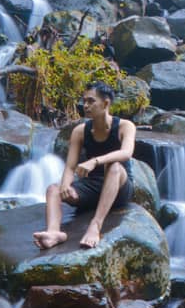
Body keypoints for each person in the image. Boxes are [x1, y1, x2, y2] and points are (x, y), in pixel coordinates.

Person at [33, 81, 136, 250]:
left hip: (119, 188)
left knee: (114, 166)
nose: (85, 106)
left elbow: (126, 153)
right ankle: (53, 233)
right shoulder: (80, 131)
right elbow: (70, 166)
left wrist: (95, 161)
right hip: (93, 187)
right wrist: (66, 184)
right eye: (84, 101)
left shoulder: (125, 126)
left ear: (106, 103)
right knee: (53, 189)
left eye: (91, 101)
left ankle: (95, 225)